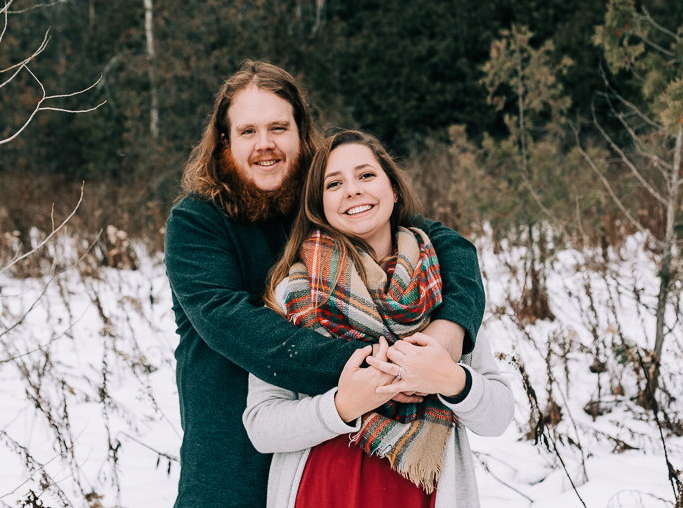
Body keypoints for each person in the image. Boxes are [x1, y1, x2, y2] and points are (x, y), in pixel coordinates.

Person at [164, 61, 485, 508]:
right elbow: (228, 320)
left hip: (324, 462)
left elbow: (450, 245)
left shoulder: (325, 200)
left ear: (302, 132)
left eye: (278, 127)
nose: (265, 145)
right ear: (223, 141)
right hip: (231, 459)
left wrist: (451, 327)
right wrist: (377, 367)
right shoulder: (197, 222)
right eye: (248, 131)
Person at [242, 130, 513, 507]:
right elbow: (262, 425)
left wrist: (449, 378)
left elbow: (497, 416)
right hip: (321, 493)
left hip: (422, 494)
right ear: (319, 206)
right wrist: (343, 405)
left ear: (394, 189)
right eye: (334, 183)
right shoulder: (293, 294)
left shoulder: (441, 286)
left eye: (366, 175)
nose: (353, 190)